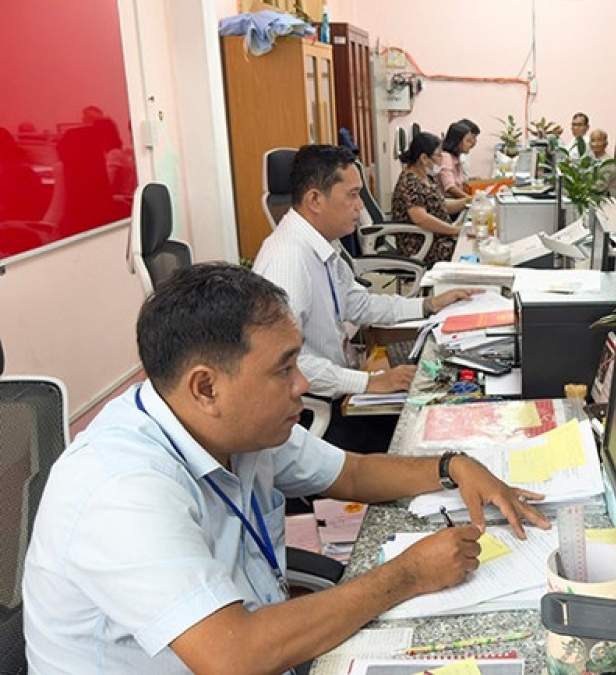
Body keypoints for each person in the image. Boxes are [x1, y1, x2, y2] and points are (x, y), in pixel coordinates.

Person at [22, 262, 550, 674]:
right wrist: (409, 574)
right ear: (206, 387)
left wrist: (454, 465)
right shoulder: (120, 489)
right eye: (284, 369)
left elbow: (354, 474)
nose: (302, 384)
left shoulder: (234, 423)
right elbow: (237, 657)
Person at [255, 144, 477, 454]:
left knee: (437, 413)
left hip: (339, 391)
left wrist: (427, 306)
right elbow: (284, 364)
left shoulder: (322, 245)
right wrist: (368, 382)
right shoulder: (288, 260)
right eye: (352, 195)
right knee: (426, 441)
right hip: (311, 416)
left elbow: (360, 304)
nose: (360, 206)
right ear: (315, 200)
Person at [392, 131, 468, 266]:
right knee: (466, 253)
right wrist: (455, 230)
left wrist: (467, 201)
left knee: (469, 244)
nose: (441, 160)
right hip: (420, 244)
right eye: (438, 155)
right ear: (424, 158)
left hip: (435, 237)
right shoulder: (410, 182)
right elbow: (421, 219)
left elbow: (440, 206)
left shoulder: (427, 177)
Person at [439, 121, 477, 199]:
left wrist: (470, 180)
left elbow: (458, 182)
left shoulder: (456, 157)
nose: (471, 144)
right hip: (449, 203)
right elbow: (450, 187)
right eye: (468, 141)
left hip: (457, 200)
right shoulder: (446, 157)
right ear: (457, 141)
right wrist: (470, 199)